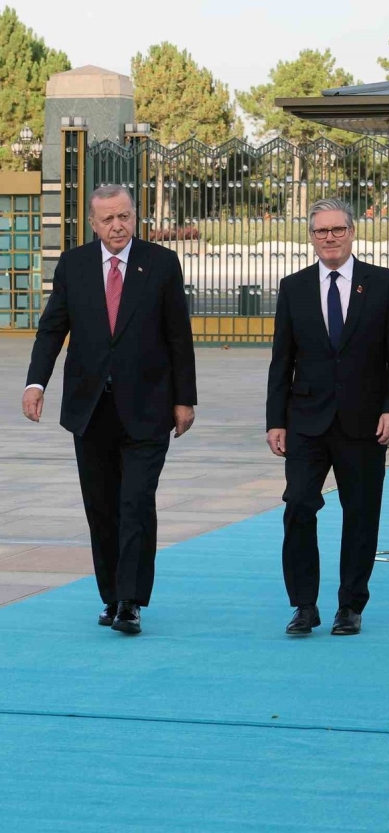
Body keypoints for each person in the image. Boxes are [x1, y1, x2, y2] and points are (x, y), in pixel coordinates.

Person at [22, 185, 197, 635]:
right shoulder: (74, 265)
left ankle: (131, 601)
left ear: (134, 216)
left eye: (124, 216)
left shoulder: (160, 263)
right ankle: (112, 595)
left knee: (135, 502)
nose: (118, 226)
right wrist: (36, 383)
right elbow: (52, 329)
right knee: (101, 507)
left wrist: (184, 398)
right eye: (108, 219)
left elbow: (179, 335)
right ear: (93, 224)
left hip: (148, 407)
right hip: (91, 409)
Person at [266, 197, 389, 637]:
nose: (329, 238)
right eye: (320, 231)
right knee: (298, 505)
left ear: (352, 232)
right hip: (306, 420)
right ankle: (304, 605)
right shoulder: (293, 287)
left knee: (361, 513)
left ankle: (350, 605)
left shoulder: (382, 283)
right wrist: (276, 420)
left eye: (337, 230)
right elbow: (281, 360)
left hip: (365, 421)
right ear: (311, 237)